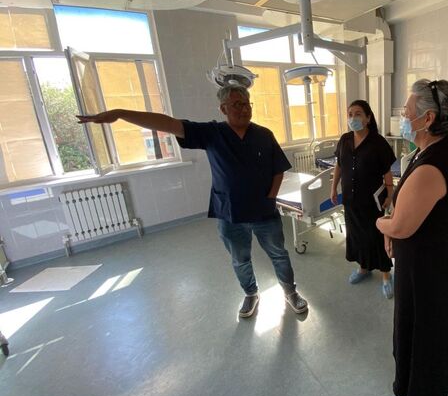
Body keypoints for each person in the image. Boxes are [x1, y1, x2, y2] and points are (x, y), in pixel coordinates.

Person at [77, 84, 308, 319]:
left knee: (279, 254)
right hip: (230, 214)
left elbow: (278, 170)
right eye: (237, 104)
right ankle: (251, 294)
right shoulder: (211, 133)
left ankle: (291, 292)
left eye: (247, 104)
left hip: (264, 212)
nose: (244, 109)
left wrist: (270, 198)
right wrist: (120, 113)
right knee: (240, 259)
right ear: (223, 108)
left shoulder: (264, 134)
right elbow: (168, 124)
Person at [376, 79, 448, 396]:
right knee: (425, 324)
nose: (402, 117)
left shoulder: (432, 165)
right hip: (424, 257)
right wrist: (394, 225)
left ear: (427, 118)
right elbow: (409, 212)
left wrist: (381, 225)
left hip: (425, 265)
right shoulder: (429, 151)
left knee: (425, 328)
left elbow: (402, 225)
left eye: (406, 111)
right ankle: (421, 387)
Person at [330, 100, 396, 298]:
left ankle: (386, 275)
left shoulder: (378, 142)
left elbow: (387, 172)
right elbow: (339, 166)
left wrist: (390, 195)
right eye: (350, 114)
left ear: (368, 118)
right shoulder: (345, 140)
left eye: (358, 114)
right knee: (356, 236)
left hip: (372, 200)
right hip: (350, 199)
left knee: (376, 237)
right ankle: (363, 268)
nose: (353, 118)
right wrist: (333, 188)